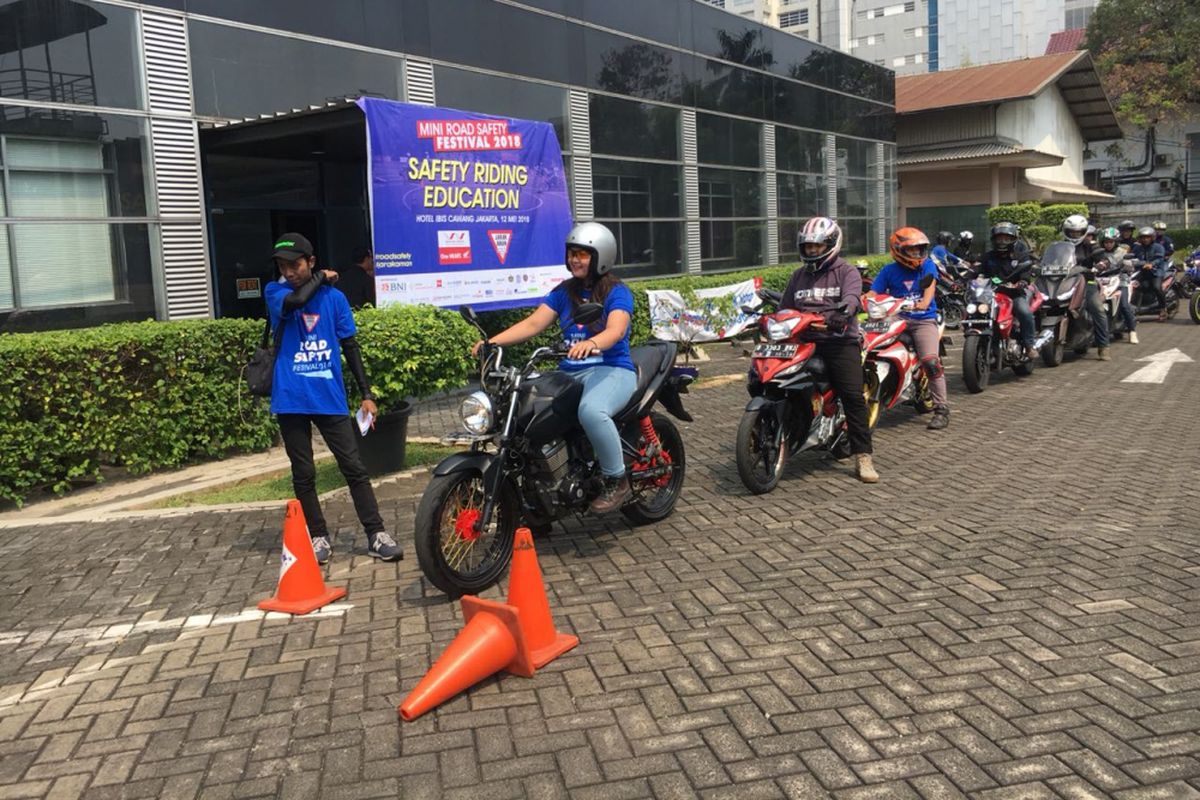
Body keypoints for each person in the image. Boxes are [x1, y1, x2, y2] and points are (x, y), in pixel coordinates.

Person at [473, 222, 636, 513]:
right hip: (570, 372)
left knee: (591, 411)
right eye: (572, 253)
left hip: (612, 369)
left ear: (601, 257)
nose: (575, 259)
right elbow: (534, 323)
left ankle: (617, 478)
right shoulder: (564, 292)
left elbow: (617, 330)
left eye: (583, 254)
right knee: (528, 411)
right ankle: (540, 496)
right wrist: (492, 343)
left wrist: (593, 342)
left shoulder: (617, 291)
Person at [265, 233, 401, 565]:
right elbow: (296, 303)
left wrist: (367, 394)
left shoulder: (335, 300)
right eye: (284, 266)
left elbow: (350, 347)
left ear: (310, 261)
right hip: (291, 398)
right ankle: (318, 537)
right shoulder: (275, 292)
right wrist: (319, 277)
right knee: (304, 472)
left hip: (329, 398)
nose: (289, 272)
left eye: (296, 265)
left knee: (354, 467)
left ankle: (376, 534)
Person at [779, 216, 877, 483]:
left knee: (853, 396)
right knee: (776, 381)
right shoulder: (798, 276)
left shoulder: (846, 271)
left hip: (838, 341)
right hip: (803, 342)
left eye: (817, 246)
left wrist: (843, 313)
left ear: (831, 245)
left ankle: (863, 456)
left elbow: (852, 298)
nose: (811, 251)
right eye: (808, 247)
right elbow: (785, 308)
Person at [868, 227, 950, 431]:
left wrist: (923, 303)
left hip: (923, 320)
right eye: (911, 250)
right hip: (895, 319)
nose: (916, 254)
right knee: (871, 351)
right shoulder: (888, 271)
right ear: (898, 250)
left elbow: (929, 288)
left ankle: (941, 409)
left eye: (919, 249)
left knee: (931, 362)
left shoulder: (928, 266)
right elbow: (874, 291)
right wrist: (865, 299)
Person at [978, 222, 1038, 360]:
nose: (1002, 242)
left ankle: (1029, 346)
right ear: (994, 240)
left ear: (1013, 239)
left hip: (1014, 294)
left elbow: (1026, 272)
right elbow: (977, 271)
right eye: (999, 238)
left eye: (1006, 238)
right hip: (991, 295)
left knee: (1025, 312)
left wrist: (1022, 282)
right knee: (975, 314)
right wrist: (963, 279)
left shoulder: (1020, 256)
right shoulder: (988, 257)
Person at [1064, 214, 1111, 360]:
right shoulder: (1061, 246)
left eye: (1078, 232)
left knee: (1098, 309)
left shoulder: (1091, 246)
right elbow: (1050, 258)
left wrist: (1100, 265)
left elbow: (1104, 259)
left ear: (1083, 232)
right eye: (1072, 232)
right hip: (1064, 282)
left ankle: (1103, 346)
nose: (1074, 235)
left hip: (1086, 281)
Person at [1096, 227, 1138, 344]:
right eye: (1106, 242)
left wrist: (1127, 266)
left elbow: (1130, 265)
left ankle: (1132, 331)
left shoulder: (1122, 252)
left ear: (1115, 242)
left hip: (1121, 281)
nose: (1108, 244)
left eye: (1110, 242)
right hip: (1102, 281)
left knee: (1124, 305)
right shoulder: (1099, 253)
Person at [1132, 225, 1170, 321]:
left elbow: (1159, 258)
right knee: (1138, 287)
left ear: (1152, 237)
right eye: (1143, 237)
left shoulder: (1158, 247)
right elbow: (1132, 257)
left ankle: (1163, 309)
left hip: (1156, 272)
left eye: (1147, 237)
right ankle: (1137, 310)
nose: (1145, 239)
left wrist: (1151, 264)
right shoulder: (1137, 248)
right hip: (1142, 272)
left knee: (1156, 287)